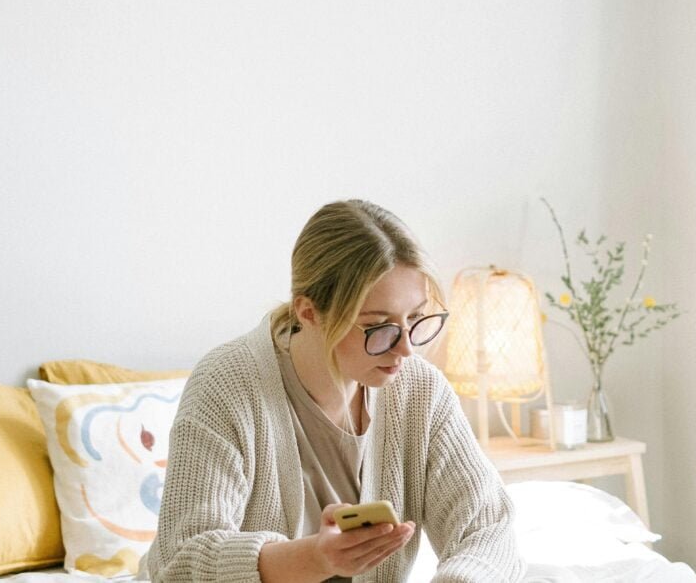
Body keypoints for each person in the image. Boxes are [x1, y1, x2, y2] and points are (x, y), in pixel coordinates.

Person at [145, 200, 524, 582]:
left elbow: (487, 527)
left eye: (415, 318)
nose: (407, 348)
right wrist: (314, 559)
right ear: (308, 312)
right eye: (379, 327)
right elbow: (180, 562)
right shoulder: (227, 384)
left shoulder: (420, 390)